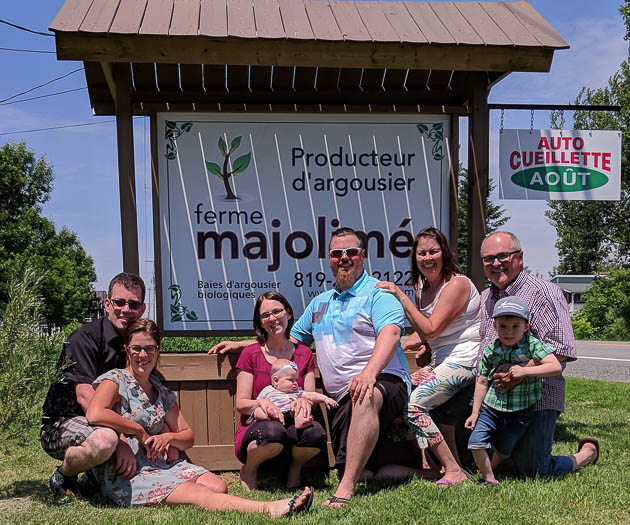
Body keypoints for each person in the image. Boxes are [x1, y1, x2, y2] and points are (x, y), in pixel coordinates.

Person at [211, 227, 411, 507]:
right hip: (342, 398)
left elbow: (390, 333)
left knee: (367, 394)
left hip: (383, 380)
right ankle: (418, 472)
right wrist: (244, 344)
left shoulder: (378, 294)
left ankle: (344, 491)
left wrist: (369, 373)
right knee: (357, 467)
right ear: (328, 259)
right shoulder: (320, 303)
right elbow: (285, 339)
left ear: (363, 256)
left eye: (351, 252)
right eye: (336, 253)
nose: (344, 258)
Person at [86, 318, 313, 517]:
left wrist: (167, 438)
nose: (143, 355)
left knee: (217, 486)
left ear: (158, 351)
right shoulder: (116, 379)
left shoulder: (160, 390)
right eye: (136, 349)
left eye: (150, 349)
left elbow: (188, 437)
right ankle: (269, 509)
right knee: (199, 494)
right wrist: (136, 430)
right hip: (130, 471)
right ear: (127, 350)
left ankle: (175, 491)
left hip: (161, 464)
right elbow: (95, 412)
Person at [477, 231, 599, 476]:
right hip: (495, 398)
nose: (496, 263)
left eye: (503, 256)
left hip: (538, 395)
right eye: (489, 259)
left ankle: (587, 453)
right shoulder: (486, 298)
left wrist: (519, 373)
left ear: (519, 257)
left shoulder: (545, 292)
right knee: (477, 451)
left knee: (533, 469)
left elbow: (562, 348)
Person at [376, 227, 480, 485]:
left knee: (415, 405)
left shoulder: (457, 284)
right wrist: (394, 349)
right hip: (442, 359)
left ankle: (453, 470)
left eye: (433, 251)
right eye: (421, 253)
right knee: (402, 396)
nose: (427, 258)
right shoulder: (421, 286)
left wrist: (400, 296)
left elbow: (431, 329)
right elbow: (424, 333)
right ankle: (433, 463)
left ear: (444, 253)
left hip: (467, 358)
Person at [41, 273, 148, 497]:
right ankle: (65, 475)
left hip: (109, 419)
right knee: (105, 441)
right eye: (119, 302)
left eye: (133, 304)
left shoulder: (138, 343)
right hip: (65, 421)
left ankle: (93, 477)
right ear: (107, 303)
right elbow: (86, 399)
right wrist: (122, 440)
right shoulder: (83, 339)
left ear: (142, 309)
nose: (126, 309)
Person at [233, 291, 327, 490]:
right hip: (260, 426)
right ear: (259, 322)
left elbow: (309, 395)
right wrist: (261, 403)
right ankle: (249, 469)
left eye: (277, 311)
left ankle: (295, 469)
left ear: (289, 314)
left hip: (294, 424)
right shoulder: (250, 354)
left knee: (315, 433)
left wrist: (304, 403)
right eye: (265, 315)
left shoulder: (304, 353)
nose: (272, 318)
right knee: (272, 430)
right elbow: (240, 404)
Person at [465, 296, 562, 486]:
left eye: (515, 326)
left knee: (504, 447)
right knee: (475, 442)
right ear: (495, 326)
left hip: (521, 410)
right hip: (491, 407)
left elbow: (555, 366)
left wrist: (524, 370)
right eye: (503, 326)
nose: (509, 332)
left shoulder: (533, 345)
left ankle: (489, 473)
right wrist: (475, 412)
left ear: (526, 326)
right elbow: (482, 381)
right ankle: (489, 478)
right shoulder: (490, 350)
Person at [252, 359, 338, 429]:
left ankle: (301, 421)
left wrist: (325, 399)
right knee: (257, 411)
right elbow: (259, 402)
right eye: (291, 380)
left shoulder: (297, 392)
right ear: (276, 381)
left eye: (296, 380)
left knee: (300, 407)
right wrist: (262, 408)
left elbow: (311, 395)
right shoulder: (268, 390)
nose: (295, 383)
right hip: (273, 414)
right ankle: (267, 417)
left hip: (290, 415)